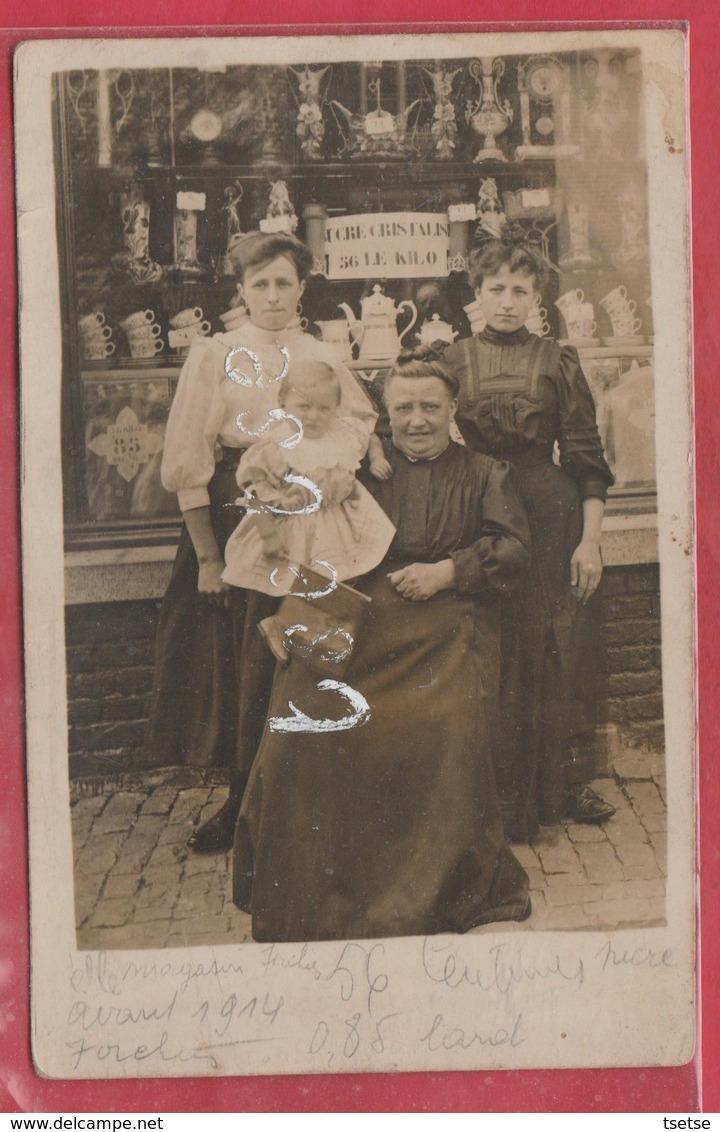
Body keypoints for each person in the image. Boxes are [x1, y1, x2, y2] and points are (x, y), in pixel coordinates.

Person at [232, 348, 532, 942]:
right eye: (403, 408)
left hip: (445, 624)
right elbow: (296, 534)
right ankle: (315, 889)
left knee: (439, 720)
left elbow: (515, 548)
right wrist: (283, 613)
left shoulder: (484, 472)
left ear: (452, 410)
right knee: (301, 717)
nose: (416, 419)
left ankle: (430, 891)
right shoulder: (354, 465)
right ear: (384, 414)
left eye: (430, 407)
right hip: (358, 620)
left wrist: (448, 570)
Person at [146, 232, 377, 852]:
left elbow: (357, 418)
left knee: (307, 642)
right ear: (241, 291)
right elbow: (188, 456)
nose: (273, 296)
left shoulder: (323, 350)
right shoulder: (216, 354)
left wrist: (336, 466)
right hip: (239, 514)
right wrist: (208, 556)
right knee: (241, 659)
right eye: (260, 284)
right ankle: (241, 799)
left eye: (284, 283)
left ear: (303, 288)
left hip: (316, 518)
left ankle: (306, 796)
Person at [442, 233, 616, 842]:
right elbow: (412, 430)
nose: (508, 302)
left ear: (537, 296)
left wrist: (590, 541)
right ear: (478, 294)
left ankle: (559, 785)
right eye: (497, 289)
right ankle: (487, 790)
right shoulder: (451, 359)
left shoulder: (558, 359)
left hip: (549, 513)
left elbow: (588, 457)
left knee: (551, 644)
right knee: (486, 645)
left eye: (521, 289)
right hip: (481, 512)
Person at [222, 360, 396, 597]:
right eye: (304, 406)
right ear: (283, 404)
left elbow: (369, 436)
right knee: (292, 585)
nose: (313, 416)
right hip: (290, 528)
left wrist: (377, 459)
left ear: (336, 407)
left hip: (336, 523)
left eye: (324, 408)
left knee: (337, 585)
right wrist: (268, 535)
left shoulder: (341, 436)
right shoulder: (277, 445)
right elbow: (255, 492)